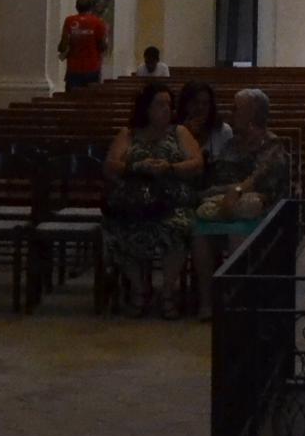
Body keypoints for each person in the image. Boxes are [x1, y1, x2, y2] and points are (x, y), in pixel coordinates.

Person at [189, 86, 293, 320]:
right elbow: (217, 177)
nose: (230, 113)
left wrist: (234, 191)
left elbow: (259, 179)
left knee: (237, 235)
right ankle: (208, 302)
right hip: (226, 207)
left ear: (253, 114)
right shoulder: (231, 144)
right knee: (199, 234)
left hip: (262, 214)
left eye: (237, 109)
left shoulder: (272, 145)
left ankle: (236, 302)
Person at [102, 80, 202, 316]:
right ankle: (140, 289)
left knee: (177, 227)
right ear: (146, 108)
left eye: (169, 104)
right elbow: (110, 165)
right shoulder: (129, 133)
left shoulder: (179, 132)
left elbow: (197, 164)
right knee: (118, 228)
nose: (166, 109)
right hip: (134, 202)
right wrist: (137, 166)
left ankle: (168, 291)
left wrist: (170, 167)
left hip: (172, 201)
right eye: (160, 104)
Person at [175, 78, 231, 172]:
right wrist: (187, 134)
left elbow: (229, 167)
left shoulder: (223, 130)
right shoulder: (174, 131)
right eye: (195, 102)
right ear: (185, 104)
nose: (200, 107)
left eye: (205, 103)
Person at [56, 0, 107, 91]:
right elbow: (102, 46)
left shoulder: (69, 21)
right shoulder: (98, 22)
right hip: (92, 66)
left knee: (72, 98)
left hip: (73, 67)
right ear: (91, 7)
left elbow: (63, 45)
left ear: (76, 7)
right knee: (90, 99)